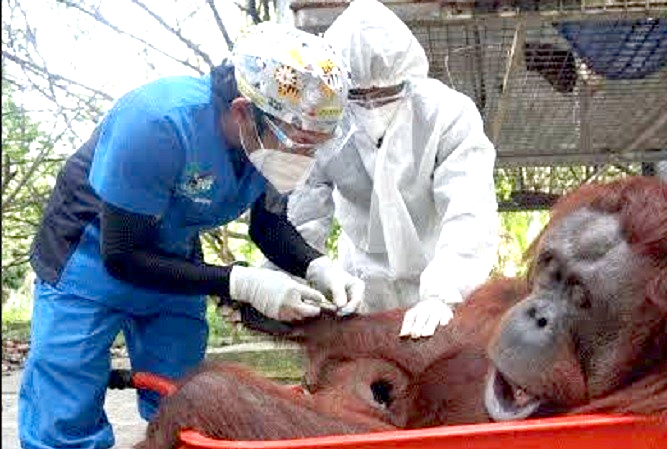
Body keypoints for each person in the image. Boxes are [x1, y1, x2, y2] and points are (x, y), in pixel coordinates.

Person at [19, 22, 364, 449]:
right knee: (65, 400)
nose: (304, 155)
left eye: (315, 144)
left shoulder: (268, 141)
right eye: (299, 141)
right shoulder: (157, 123)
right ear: (242, 112)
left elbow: (268, 224)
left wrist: (318, 266)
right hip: (88, 256)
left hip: (172, 258)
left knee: (183, 395)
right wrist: (239, 282)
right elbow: (122, 255)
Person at [287, 0, 500, 340]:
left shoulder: (447, 114)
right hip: (360, 283)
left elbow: (468, 209)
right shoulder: (325, 124)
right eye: (357, 95)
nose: (371, 104)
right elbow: (303, 217)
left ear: (406, 75)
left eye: (385, 93)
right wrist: (283, 280)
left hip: (441, 271)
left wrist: (444, 293)